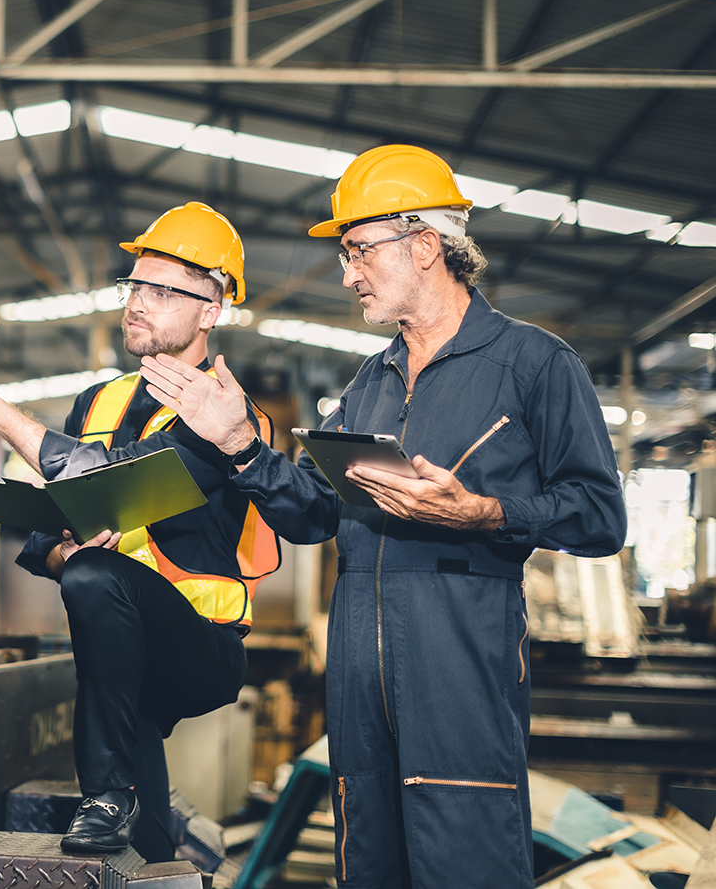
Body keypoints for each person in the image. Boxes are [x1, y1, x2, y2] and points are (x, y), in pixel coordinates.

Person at [135, 145, 627, 887]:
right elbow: (310, 515)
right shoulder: (369, 382)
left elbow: (600, 514)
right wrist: (240, 444)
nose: (346, 273)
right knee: (367, 863)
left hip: (461, 668)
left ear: (426, 244)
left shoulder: (533, 366)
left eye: (358, 249)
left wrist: (482, 511)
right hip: (358, 683)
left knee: (468, 861)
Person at [0, 202, 280, 860]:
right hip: (120, 643)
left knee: (94, 575)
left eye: (163, 290)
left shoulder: (225, 412)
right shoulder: (98, 402)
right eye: (134, 285)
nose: (138, 302)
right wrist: (61, 549)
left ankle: (105, 792)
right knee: (143, 842)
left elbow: (115, 476)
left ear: (211, 308)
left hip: (200, 649)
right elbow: (52, 527)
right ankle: (149, 841)